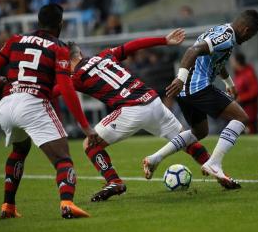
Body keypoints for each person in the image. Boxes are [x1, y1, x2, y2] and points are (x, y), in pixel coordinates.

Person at [53, 29, 240, 203]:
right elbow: (134, 45)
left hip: (131, 109)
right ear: (80, 54)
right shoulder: (105, 55)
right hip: (153, 101)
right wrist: (164, 40)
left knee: (89, 144)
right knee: (186, 141)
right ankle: (219, 173)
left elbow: (53, 92)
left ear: (65, 61)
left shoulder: (74, 76)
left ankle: (114, 181)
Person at [0, 4, 101, 219]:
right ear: (60, 24)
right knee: (63, 159)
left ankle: (8, 206)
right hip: (32, 103)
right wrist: (85, 126)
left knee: (19, 150)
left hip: (7, 103)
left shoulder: (15, 40)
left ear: (39, 21)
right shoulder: (59, 48)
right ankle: (67, 203)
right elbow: (66, 89)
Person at [161, 10, 258, 184]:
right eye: (251, 35)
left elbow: (217, 60)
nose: (248, 39)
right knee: (241, 117)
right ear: (246, 30)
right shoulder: (226, 37)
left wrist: (229, 83)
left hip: (188, 90)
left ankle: (154, 158)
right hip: (197, 87)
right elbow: (192, 50)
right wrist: (181, 77)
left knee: (199, 132)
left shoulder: (222, 30)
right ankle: (214, 163)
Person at [231, 52, 258, 134]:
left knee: (251, 133)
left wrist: (241, 98)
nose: (231, 63)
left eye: (233, 61)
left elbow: (255, 91)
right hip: (239, 111)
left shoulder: (248, 73)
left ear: (238, 62)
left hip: (249, 112)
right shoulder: (237, 74)